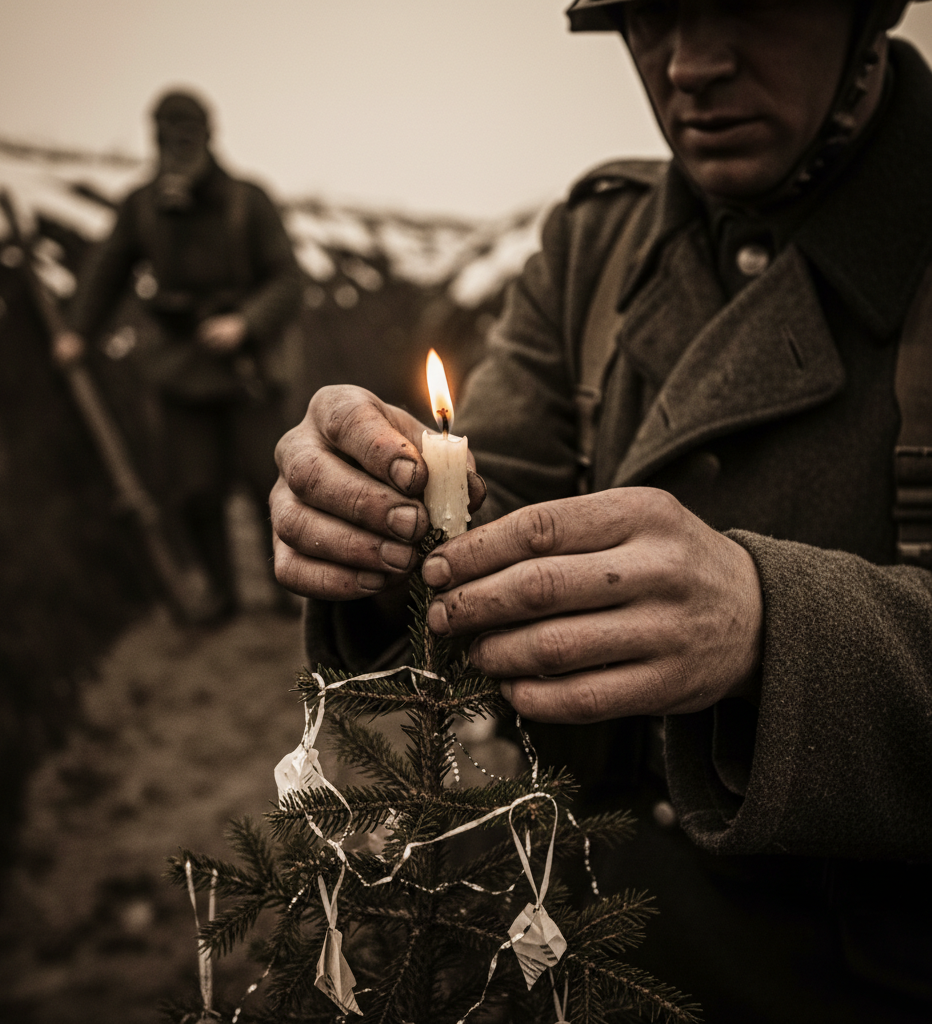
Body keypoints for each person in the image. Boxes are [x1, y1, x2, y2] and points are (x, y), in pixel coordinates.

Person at [271, 0, 932, 1020]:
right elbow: (487, 509)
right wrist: (366, 522)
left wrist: (773, 626)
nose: (695, 62)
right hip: (586, 949)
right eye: (654, 13)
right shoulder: (596, 251)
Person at [56, 89, 303, 620]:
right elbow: (108, 270)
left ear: (209, 137)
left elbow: (287, 280)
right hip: (180, 370)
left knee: (269, 483)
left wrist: (244, 323)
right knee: (194, 491)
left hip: (248, 371)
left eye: (186, 137)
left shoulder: (249, 202)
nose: (177, 149)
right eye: (167, 138)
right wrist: (79, 331)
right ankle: (222, 594)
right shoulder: (142, 207)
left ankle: (286, 584)